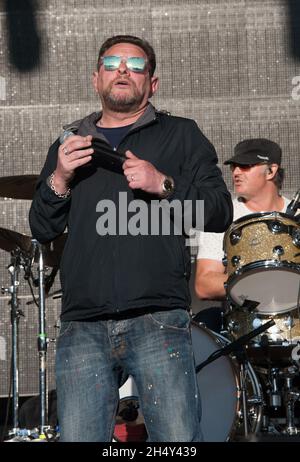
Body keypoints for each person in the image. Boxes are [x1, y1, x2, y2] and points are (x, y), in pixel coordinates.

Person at [29, 34, 232, 442]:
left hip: (157, 319)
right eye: (112, 62)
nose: (123, 69)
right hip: (82, 324)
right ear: (96, 78)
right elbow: (42, 227)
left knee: (176, 442)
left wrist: (165, 184)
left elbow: (218, 212)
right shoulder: (70, 143)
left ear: (152, 84)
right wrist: (60, 178)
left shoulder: (180, 134)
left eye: (136, 65)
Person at [194, 138, 288, 332]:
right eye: (234, 166)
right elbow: (204, 285)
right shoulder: (222, 216)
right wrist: (260, 282)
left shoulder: (294, 216)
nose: (236, 172)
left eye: (246, 166)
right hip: (243, 333)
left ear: (271, 171)